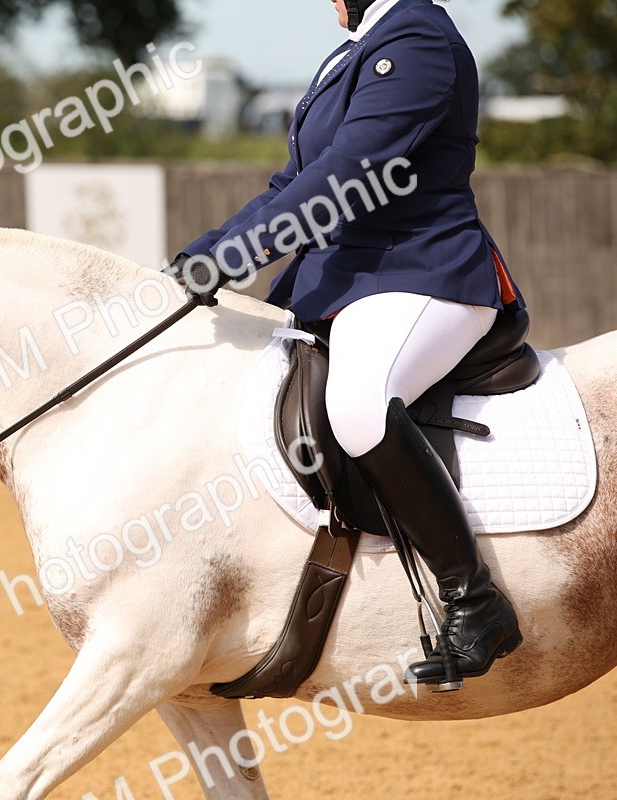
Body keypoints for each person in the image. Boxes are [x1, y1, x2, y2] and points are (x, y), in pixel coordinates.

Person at [168, 0, 524, 687]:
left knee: (358, 403)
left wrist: (240, 254)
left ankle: (473, 600)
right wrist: (205, 254)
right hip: (352, 278)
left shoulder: (417, 36)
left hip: (421, 272)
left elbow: (351, 175)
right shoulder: (359, 48)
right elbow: (296, 181)